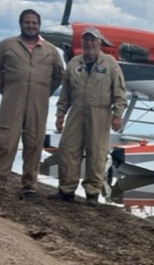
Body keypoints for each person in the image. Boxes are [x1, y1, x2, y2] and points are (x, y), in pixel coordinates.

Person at [0, 9, 65, 197]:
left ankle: (29, 185)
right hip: (12, 102)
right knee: (6, 141)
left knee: (34, 143)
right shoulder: (7, 46)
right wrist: (9, 90)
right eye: (27, 22)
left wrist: (43, 92)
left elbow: (59, 75)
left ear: (39, 25)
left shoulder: (51, 51)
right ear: (21, 24)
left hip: (38, 104)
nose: (31, 26)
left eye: (34, 23)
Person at [47, 26, 127, 206]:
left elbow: (120, 93)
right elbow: (65, 94)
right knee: (68, 150)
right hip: (76, 112)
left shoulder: (110, 64)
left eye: (93, 40)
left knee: (96, 153)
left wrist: (118, 115)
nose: (89, 43)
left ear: (99, 43)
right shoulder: (74, 64)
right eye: (86, 40)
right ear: (82, 42)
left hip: (100, 113)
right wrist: (60, 114)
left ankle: (92, 194)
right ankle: (66, 190)